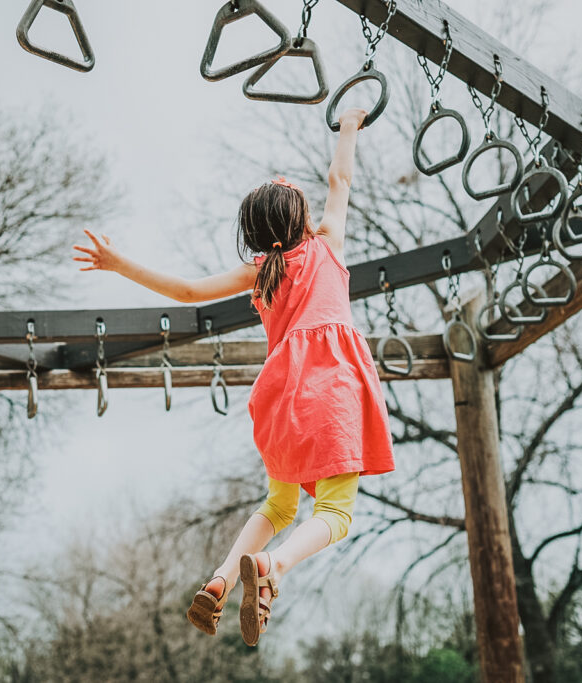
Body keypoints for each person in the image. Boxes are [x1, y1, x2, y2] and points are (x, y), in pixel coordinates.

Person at [71, 107, 394, 646]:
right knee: (335, 513)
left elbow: (188, 293)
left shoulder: (260, 273)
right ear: (300, 221)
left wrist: (118, 263)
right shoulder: (326, 245)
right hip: (330, 388)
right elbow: (341, 179)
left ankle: (220, 580)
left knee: (279, 504)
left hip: (280, 397)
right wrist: (348, 129)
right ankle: (274, 566)